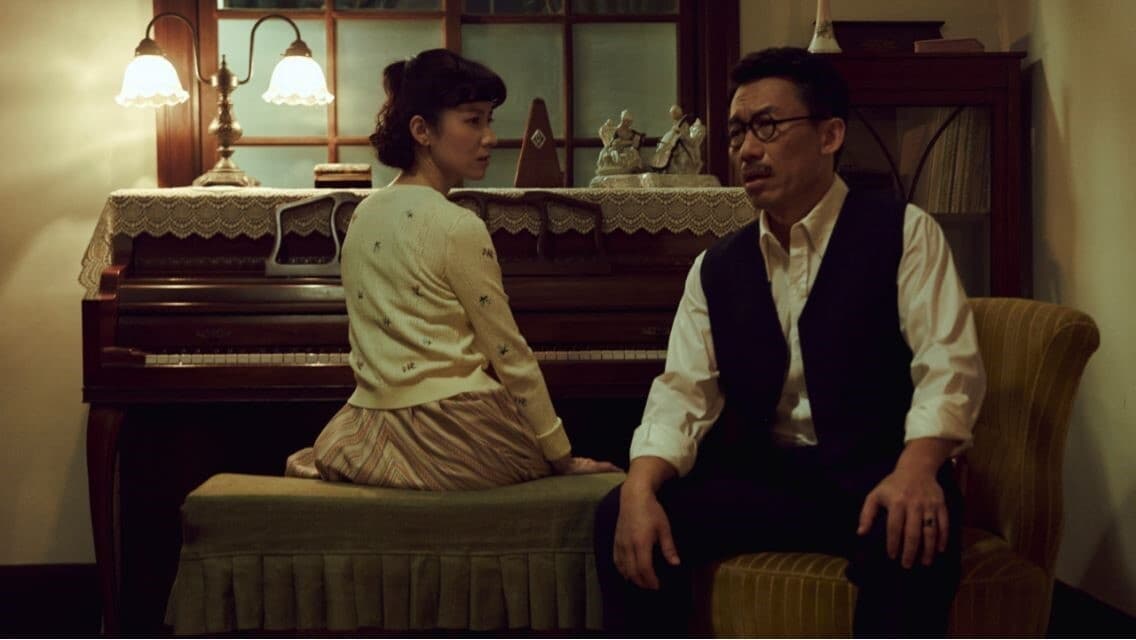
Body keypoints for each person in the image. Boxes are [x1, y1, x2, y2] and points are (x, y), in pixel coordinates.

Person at [592, 46, 986, 637]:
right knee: (620, 516)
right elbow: (682, 393)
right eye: (737, 133)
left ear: (830, 135)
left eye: (768, 126)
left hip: (879, 470)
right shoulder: (716, 267)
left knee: (913, 530)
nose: (748, 149)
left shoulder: (903, 233)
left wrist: (918, 466)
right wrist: (640, 485)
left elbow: (948, 365)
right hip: (767, 478)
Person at [286, 49, 618, 490]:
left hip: (367, 430)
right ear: (422, 130)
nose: (490, 137)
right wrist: (560, 454)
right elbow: (509, 354)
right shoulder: (459, 225)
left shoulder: (361, 215)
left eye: (489, 120)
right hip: (455, 437)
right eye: (473, 121)